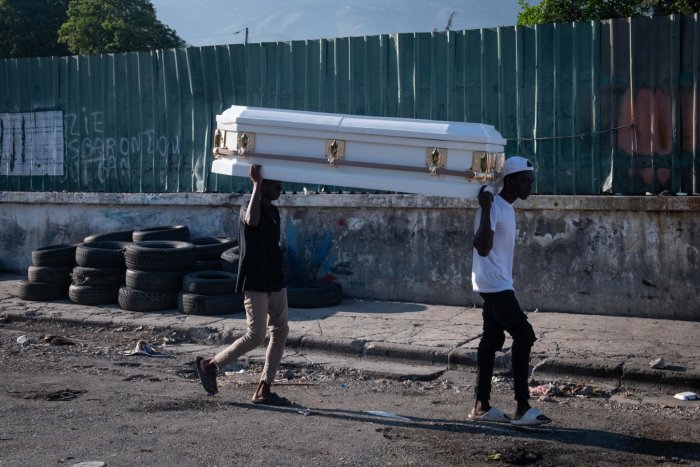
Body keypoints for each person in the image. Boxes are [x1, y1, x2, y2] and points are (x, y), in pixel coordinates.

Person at [195, 163, 291, 406]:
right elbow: (252, 222)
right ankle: (210, 365)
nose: (280, 189)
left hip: (275, 280)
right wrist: (257, 183)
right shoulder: (247, 206)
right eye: (275, 184)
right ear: (263, 184)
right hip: (256, 281)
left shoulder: (274, 212)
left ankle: (264, 388)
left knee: (280, 330)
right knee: (256, 335)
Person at [467, 156, 551, 426]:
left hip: (497, 282)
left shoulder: (506, 208)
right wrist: (484, 206)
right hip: (494, 284)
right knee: (524, 336)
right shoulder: (492, 206)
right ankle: (522, 406)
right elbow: (481, 247)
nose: (529, 186)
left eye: (530, 181)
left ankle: (481, 405)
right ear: (510, 180)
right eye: (524, 180)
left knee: (491, 341)